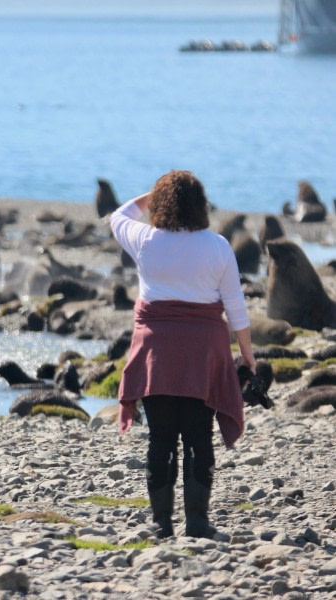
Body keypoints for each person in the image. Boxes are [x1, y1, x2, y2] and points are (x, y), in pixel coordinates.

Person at [109, 170, 255, 540]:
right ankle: (198, 523)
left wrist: (154, 196)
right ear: (201, 205)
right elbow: (235, 307)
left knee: (160, 437)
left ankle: (161, 525)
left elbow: (118, 216)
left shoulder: (145, 239)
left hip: (156, 350)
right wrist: (248, 356)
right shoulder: (218, 246)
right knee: (198, 437)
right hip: (203, 352)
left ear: (161, 206)